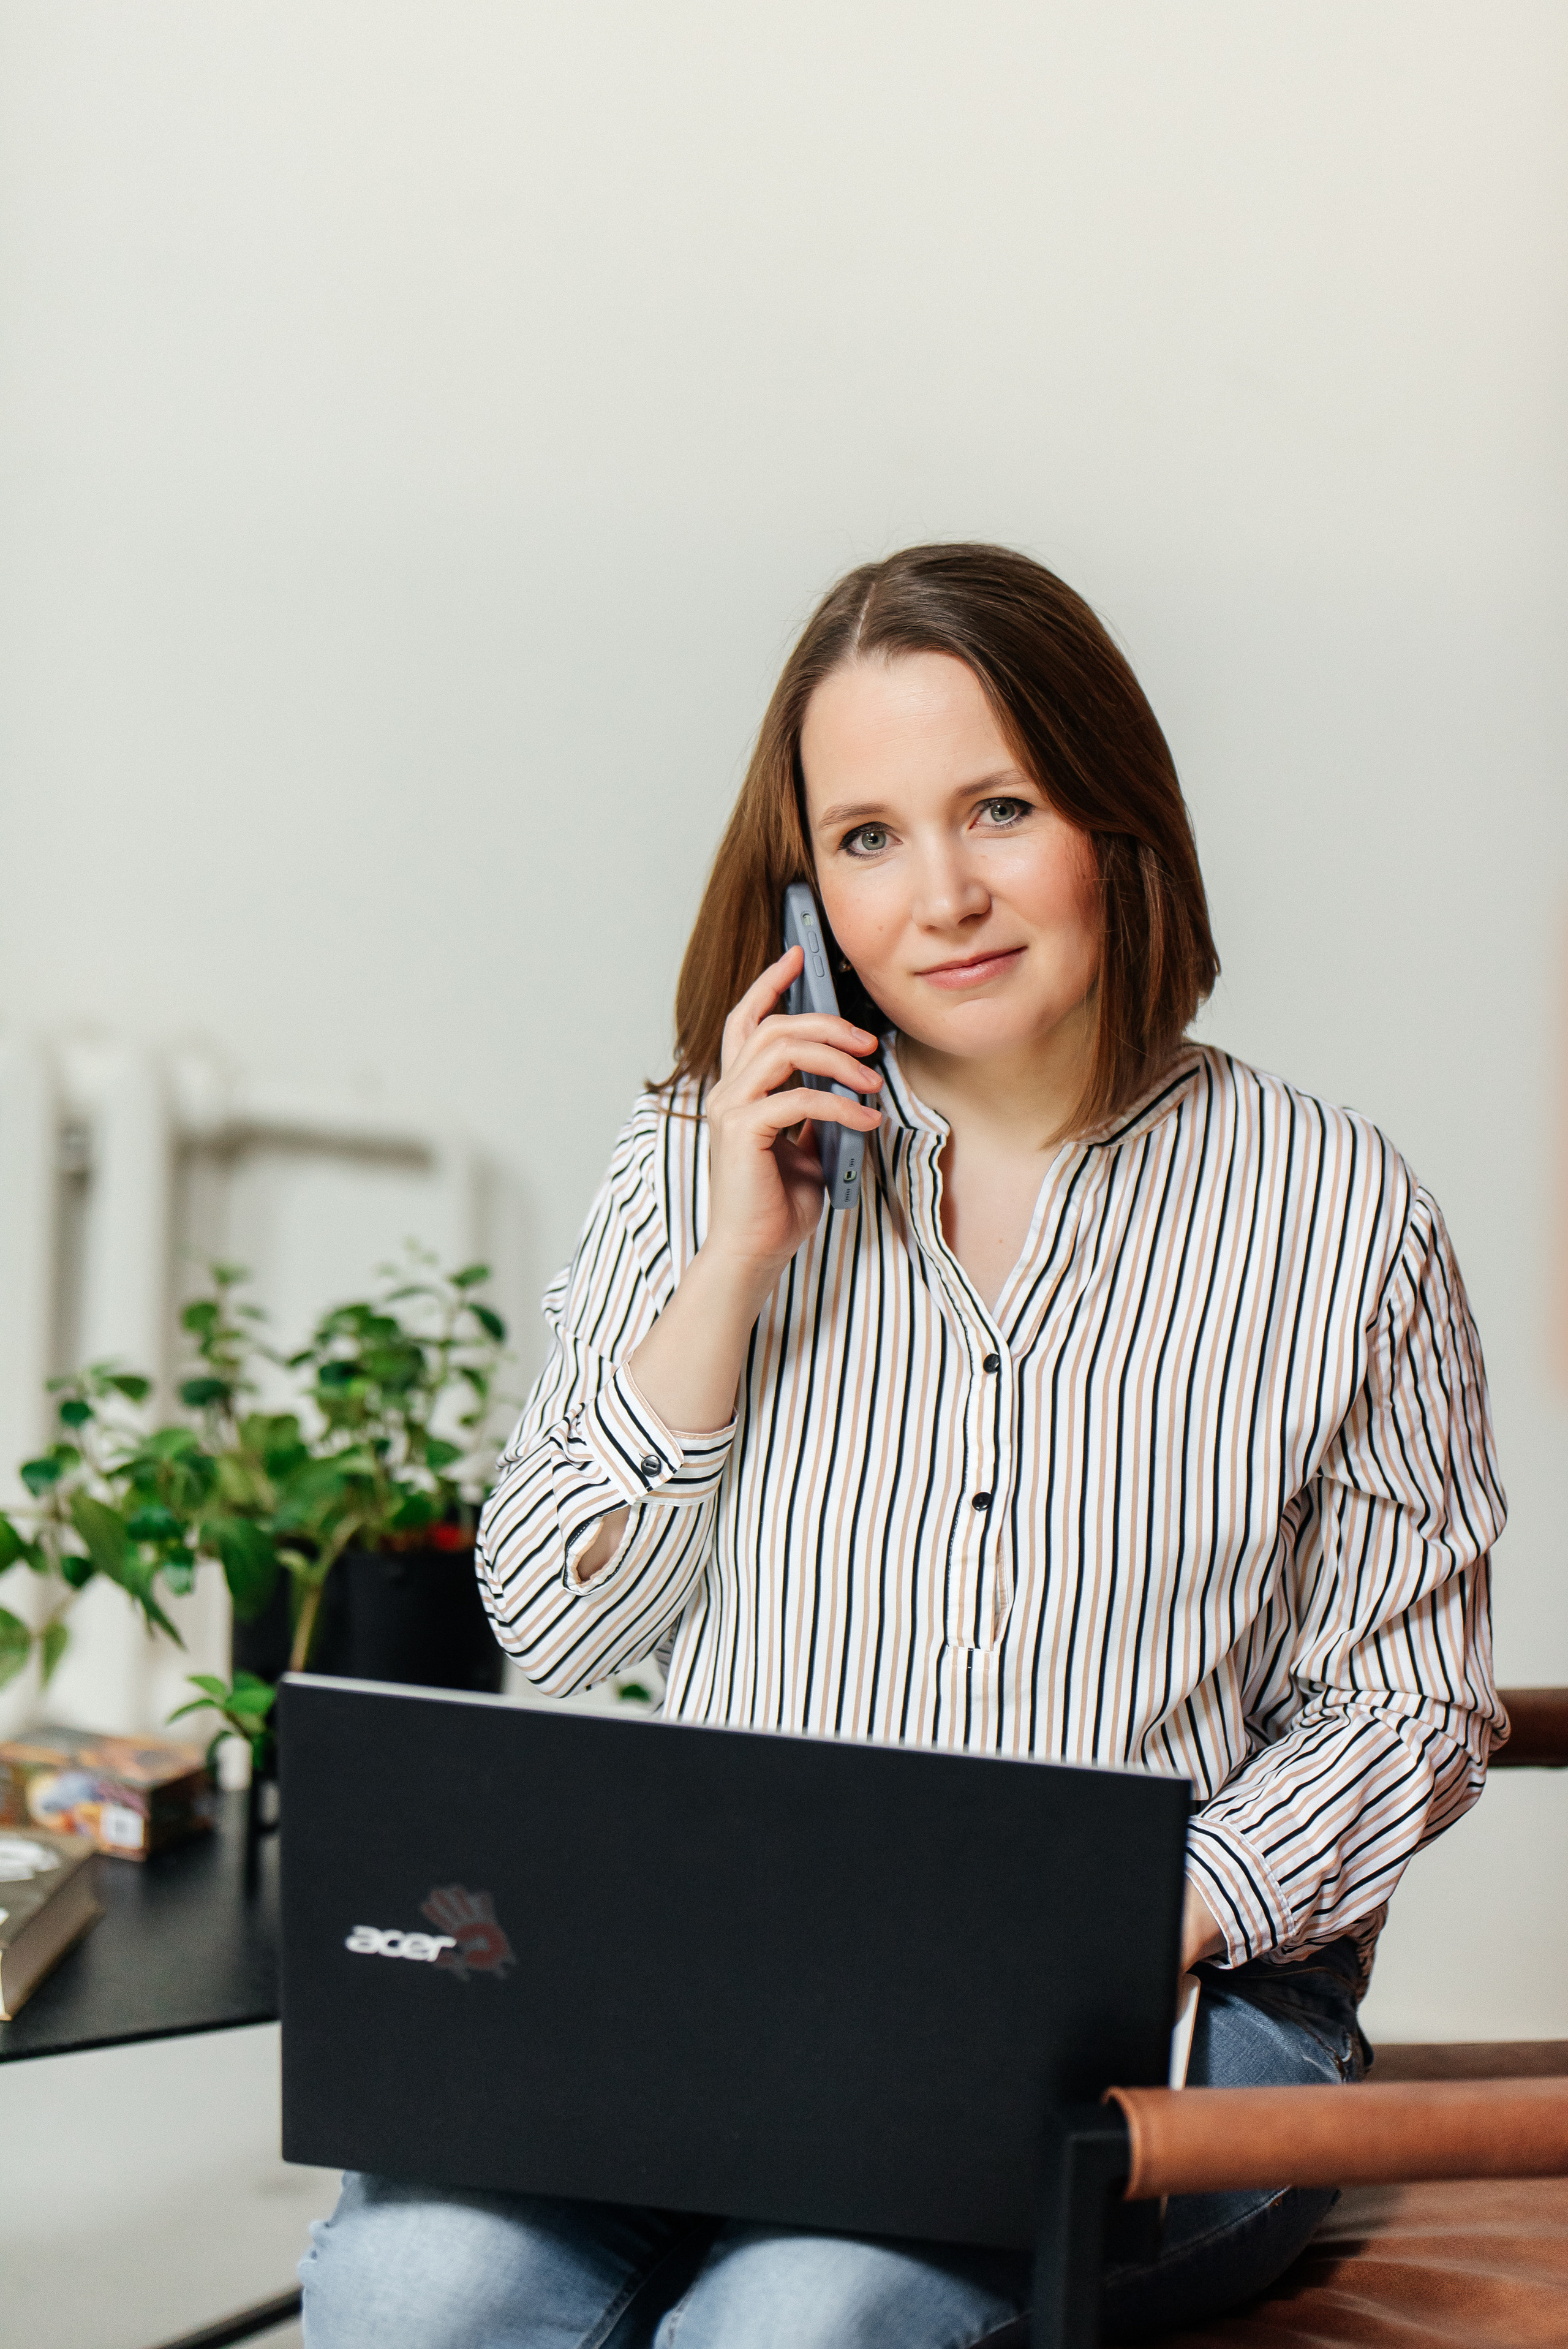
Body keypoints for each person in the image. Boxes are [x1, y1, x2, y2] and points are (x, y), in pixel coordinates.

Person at [300, 543, 1505, 2346]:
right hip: (713, 1988)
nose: (941, 894)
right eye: (867, 837)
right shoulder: (701, 1164)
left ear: (1112, 812)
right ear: (803, 888)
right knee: (415, 2284)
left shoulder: (1345, 1214)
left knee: (801, 2316)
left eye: (999, 807)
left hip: (1153, 2028)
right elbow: (554, 1631)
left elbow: (1408, 1702)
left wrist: (1144, 1914)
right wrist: (732, 1267)